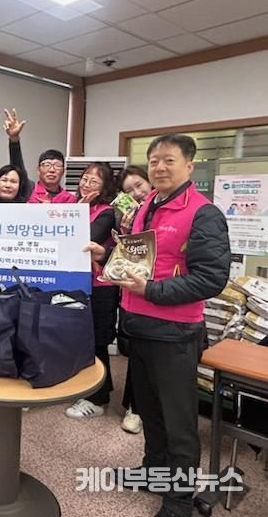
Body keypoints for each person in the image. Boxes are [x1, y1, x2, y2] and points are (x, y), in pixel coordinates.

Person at [88, 134, 230, 517]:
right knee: (150, 412)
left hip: (175, 333)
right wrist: (106, 255)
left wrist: (152, 290)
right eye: (154, 161)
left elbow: (211, 278)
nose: (160, 168)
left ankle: (179, 501)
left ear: (189, 165)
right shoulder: (147, 205)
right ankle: (153, 472)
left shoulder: (203, 213)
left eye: (169, 160)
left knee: (178, 422)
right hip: (138, 325)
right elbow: (136, 259)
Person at [65, 163, 118, 420]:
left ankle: (98, 399)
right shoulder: (77, 207)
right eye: (84, 179)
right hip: (78, 284)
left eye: (94, 181)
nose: (86, 184)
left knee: (98, 342)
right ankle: (94, 388)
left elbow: (83, 240)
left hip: (100, 287)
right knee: (82, 340)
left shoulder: (107, 212)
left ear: (105, 187)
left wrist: (78, 211)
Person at [115, 165, 153, 434]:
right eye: (129, 190)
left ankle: (150, 409)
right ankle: (134, 408)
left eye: (139, 185)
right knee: (136, 353)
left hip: (164, 291)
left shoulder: (163, 209)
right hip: (134, 291)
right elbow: (127, 256)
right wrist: (125, 234)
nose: (137, 193)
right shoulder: (129, 217)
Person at [3, 108, 76, 204]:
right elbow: (18, 169)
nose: (52, 170)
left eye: (57, 165)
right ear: (38, 170)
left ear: (63, 171)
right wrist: (14, 139)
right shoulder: (28, 189)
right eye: (47, 165)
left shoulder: (70, 200)